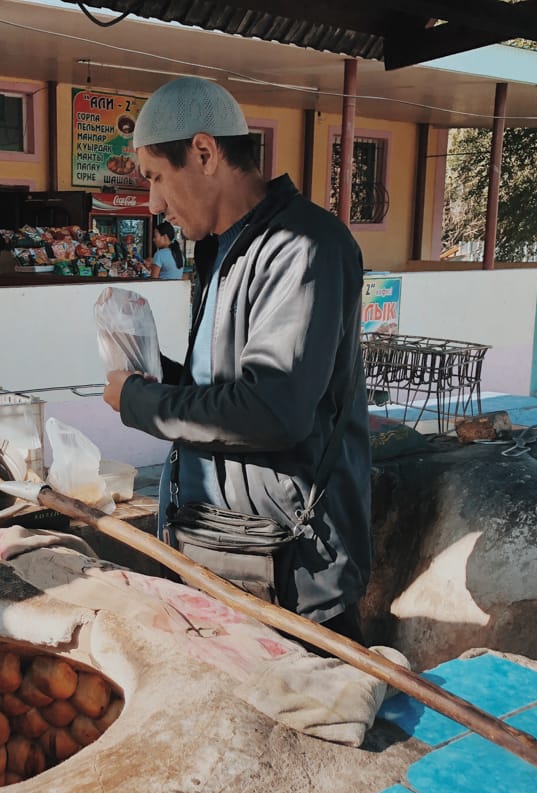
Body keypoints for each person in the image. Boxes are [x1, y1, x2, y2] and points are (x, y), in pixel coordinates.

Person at [102, 77, 371, 642]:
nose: (152, 204)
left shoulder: (304, 247)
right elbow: (222, 384)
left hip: (291, 571)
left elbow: (273, 409)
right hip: (218, 547)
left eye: (155, 177)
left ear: (204, 152)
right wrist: (157, 374)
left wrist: (139, 401)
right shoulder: (219, 249)